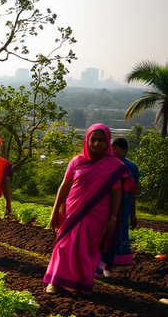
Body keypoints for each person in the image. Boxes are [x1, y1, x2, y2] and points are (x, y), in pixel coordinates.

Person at [43, 124, 133, 295]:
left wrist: (113, 218)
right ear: (87, 140)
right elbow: (65, 186)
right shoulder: (77, 161)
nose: (96, 144)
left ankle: (82, 284)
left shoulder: (114, 165)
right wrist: (55, 210)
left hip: (98, 214)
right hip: (73, 210)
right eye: (93, 140)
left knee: (88, 248)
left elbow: (117, 193)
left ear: (107, 142)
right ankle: (55, 282)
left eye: (101, 140)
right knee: (63, 245)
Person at [99, 137, 142, 275]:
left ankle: (108, 266)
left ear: (125, 150)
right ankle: (99, 264)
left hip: (123, 206)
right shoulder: (106, 163)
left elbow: (134, 191)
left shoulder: (131, 167)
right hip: (106, 204)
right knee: (102, 232)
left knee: (116, 233)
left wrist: (133, 214)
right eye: (111, 148)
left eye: (116, 149)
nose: (112, 151)